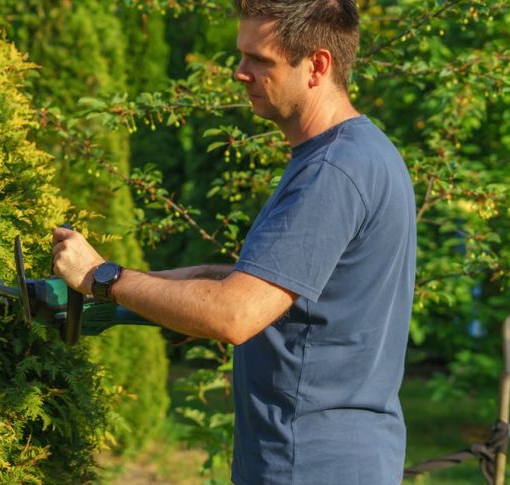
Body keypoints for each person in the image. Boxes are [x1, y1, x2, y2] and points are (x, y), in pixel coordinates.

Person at [52, 0, 416, 483]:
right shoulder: (363, 154)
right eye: (241, 55)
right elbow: (264, 286)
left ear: (317, 66)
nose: (239, 72)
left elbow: (235, 313)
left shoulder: (332, 172)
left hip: (307, 464)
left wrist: (103, 278)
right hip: (342, 457)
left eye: (259, 60)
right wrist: (118, 292)